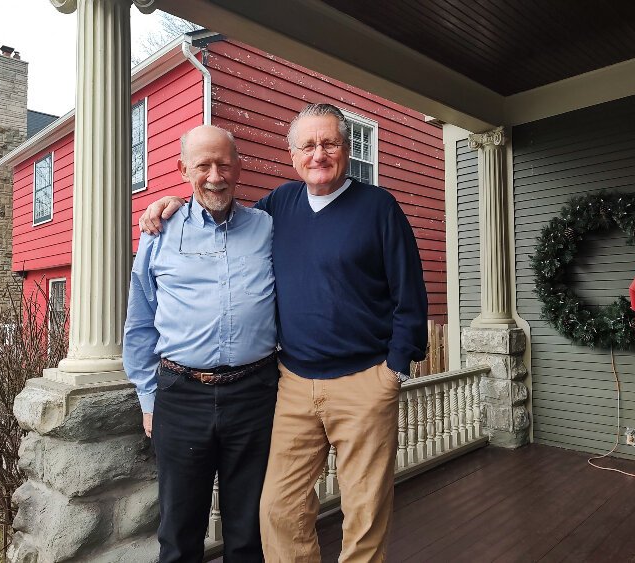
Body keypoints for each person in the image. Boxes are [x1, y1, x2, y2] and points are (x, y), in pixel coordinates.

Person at [139, 103, 428, 562]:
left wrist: (395, 369)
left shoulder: (378, 207)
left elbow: (411, 293)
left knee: (364, 510)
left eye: (329, 143)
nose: (319, 154)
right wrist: (171, 203)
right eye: (308, 145)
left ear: (347, 150)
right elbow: (220, 212)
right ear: (292, 155)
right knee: (276, 507)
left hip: (363, 382)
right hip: (292, 383)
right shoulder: (278, 208)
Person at [124, 125, 278, 563]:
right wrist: (147, 397)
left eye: (224, 164)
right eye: (202, 165)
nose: (215, 175)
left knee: (248, 530)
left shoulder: (266, 227)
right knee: (178, 530)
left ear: (239, 167)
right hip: (181, 393)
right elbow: (139, 322)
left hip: (254, 393)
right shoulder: (159, 232)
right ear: (182, 169)